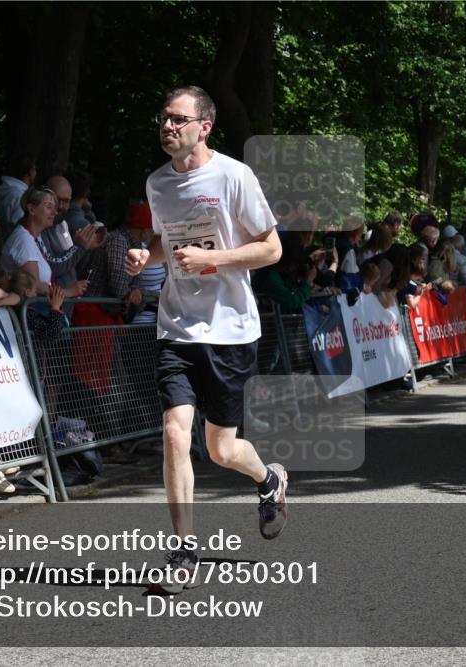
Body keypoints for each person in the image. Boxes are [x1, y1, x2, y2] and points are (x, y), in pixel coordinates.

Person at [125, 86, 287, 592]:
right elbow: (164, 243)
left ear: (204, 126)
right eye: (163, 118)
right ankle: (182, 552)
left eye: (178, 119)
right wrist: (144, 258)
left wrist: (215, 259)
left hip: (231, 328)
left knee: (221, 449)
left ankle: (269, 481)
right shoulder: (157, 183)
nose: (167, 126)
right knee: (175, 433)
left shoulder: (234, 175)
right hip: (176, 325)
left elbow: (272, 249)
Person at [0, 186, 88, 298]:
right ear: (32, 209)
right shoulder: (23, 240)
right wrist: (68, 292)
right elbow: (34, 285)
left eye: (54, 208)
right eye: (49, 207)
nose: (55, 212)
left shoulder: (33, 237)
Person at [0, 154, 37, 235]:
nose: (36, 173)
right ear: (30, 172)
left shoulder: (7, 190)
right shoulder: (20, 196)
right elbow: (22, 228)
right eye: (35, 169)